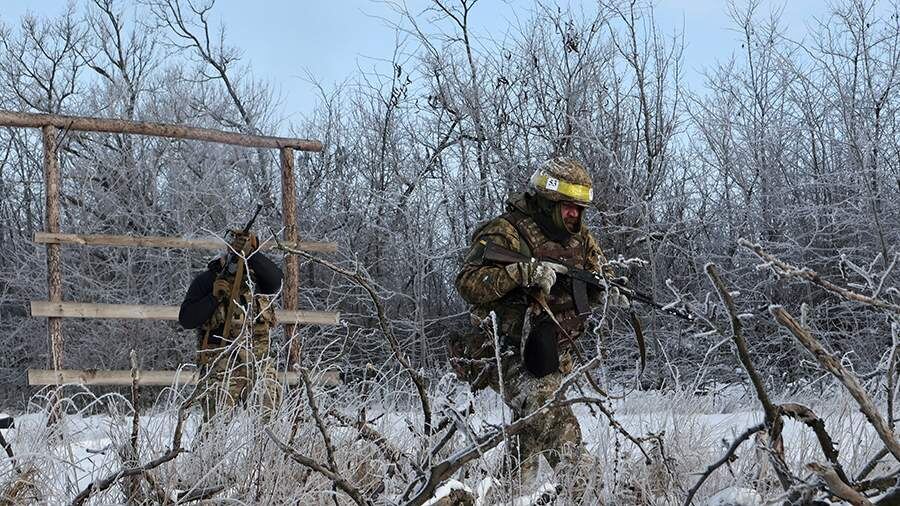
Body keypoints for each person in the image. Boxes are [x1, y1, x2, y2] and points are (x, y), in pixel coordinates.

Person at [453, 157, 627, 485]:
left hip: (553, 354)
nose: (575, 214)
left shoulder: (580, 238)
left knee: (529, 442)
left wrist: (607, 289)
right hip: (505, 351)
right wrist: (519, 273)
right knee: (559, 429)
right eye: (568, 207)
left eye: (580, 208)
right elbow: (467, 282)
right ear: (547, 202)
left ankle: (507, 495)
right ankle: (587, 492)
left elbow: (599, 272)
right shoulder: (505, 231)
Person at [178, 231, 283, 422]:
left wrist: (252, 255)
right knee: (215, 424)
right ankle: (212, 444)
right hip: (220, 363)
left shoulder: (257, 280)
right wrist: (213, 297)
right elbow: (187, 319)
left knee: (268, 420)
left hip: (258, 361)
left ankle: (265, 444)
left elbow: (277, 281)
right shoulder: (207, 280)